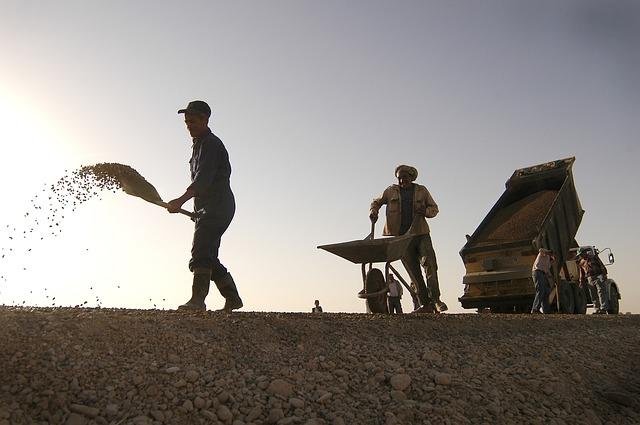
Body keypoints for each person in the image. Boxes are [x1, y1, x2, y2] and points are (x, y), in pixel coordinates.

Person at [168, 100, 243, 312]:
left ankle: (197, 300)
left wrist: (180, 200)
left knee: (200, 251)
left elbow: (203, 180)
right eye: (186, 122)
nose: (188, 125)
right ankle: (233, 298)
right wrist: (196, 210)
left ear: (205, 119)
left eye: (192, 121)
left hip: (218, 206)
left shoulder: (211, 144)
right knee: (208, 255)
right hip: (208, 208)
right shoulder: (198, 146)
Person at [369, 165, 447, 313]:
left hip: (421, 234)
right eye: (399, 178)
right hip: (402, 238)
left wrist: (425, 211)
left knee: (430, 265)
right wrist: (374, 211)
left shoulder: (421, 191)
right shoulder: (390, 191)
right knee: (413, 272)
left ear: (411, 177)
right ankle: (425, 304)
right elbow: (376, 202)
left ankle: (436, 300)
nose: (401, 180)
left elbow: (434, 208)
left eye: (404, 177)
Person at [576, 247, 609, 314]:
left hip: (598, 276)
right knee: (593, 294)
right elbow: (581, 274)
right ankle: (597, 309)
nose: (581, 256)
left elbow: (601, 265)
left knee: (601, 292)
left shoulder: (594, 257)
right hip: (590, 279)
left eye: (582, 254)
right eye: (580, 255)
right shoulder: (581, 263)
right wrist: (581, 282)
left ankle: (603, 309)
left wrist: (604, 275)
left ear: (585, 252)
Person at [531, 248, 554, 314]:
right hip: (537, 272)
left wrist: (552, 279)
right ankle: (535, 309)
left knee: (546, 291)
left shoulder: (548, 264)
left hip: (542, 274)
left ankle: (546, 310)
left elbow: (547, 273)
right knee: (540, 290)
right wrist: (549, 252)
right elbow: (540, 250)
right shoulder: (544, 255)